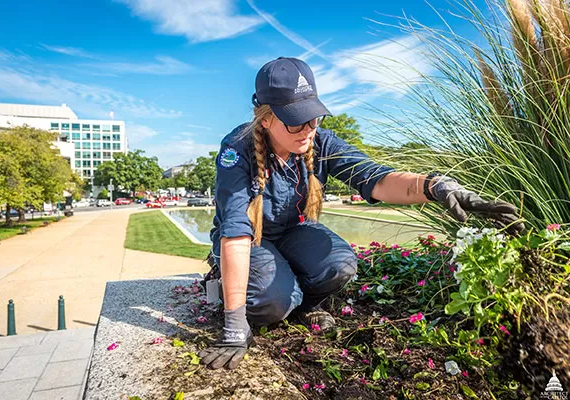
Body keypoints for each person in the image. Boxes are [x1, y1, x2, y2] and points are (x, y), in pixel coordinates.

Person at [198, 57, 523, 370]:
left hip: (291, 233)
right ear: (265, 118)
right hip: (250, 239)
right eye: (296, 119)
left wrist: (435, 187)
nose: (308, 129)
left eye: (314, 117)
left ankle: (305, 306)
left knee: (340, 264)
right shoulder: (236, 149)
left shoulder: (320, 142)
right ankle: (228, 279)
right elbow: (236, 231)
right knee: (273, 303)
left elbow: (376, 178)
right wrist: (234, 326)